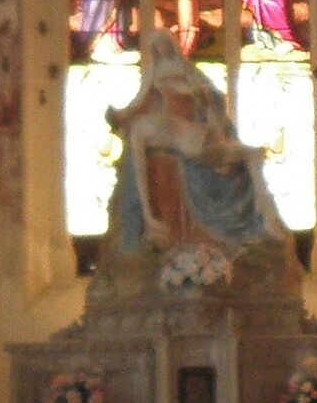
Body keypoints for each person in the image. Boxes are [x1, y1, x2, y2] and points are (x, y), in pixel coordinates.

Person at [108, 26, 286, 253]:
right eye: (156, 47)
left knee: (251, 155)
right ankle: (267, 217)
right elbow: (141, 172)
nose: (160, 50)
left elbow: (207, 94)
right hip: (198, 144)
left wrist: (149, 217)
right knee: (252, 155)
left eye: (163, 45)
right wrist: (149, 217)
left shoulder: (145, 124)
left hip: (200, 136)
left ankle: (267, 216)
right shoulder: (143, 124)